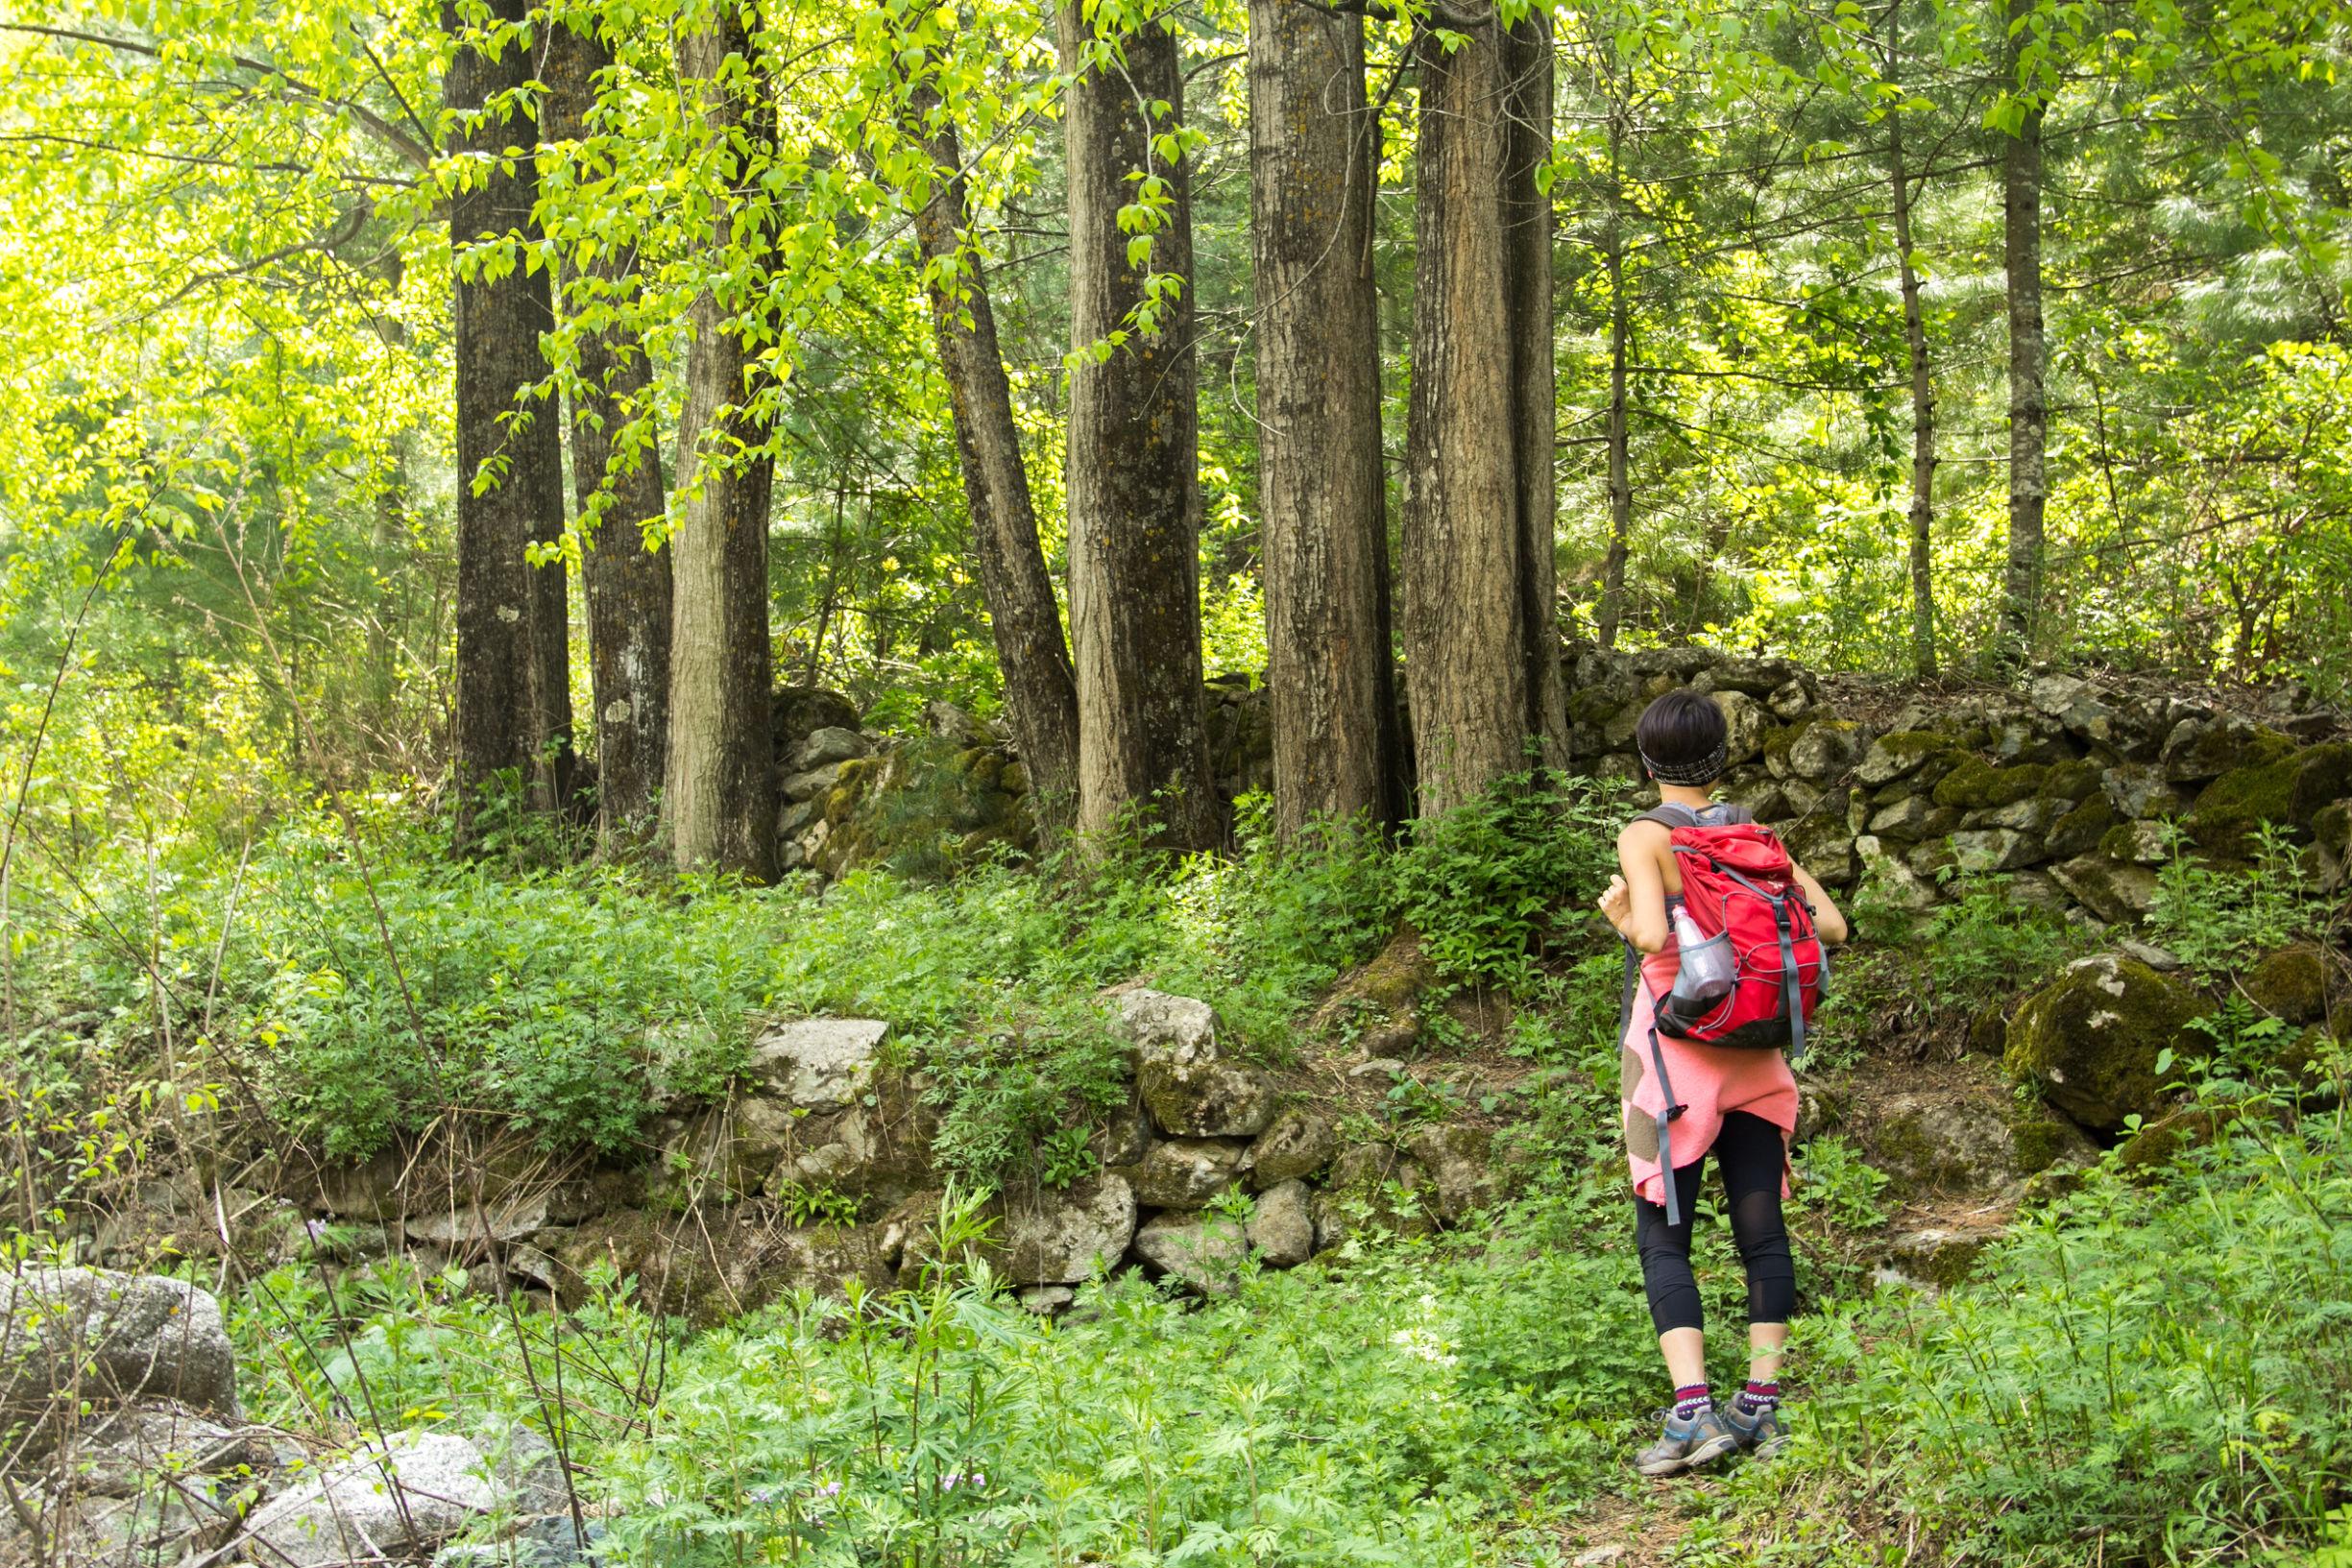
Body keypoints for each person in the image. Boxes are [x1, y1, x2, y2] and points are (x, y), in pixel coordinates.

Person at [1595, 688, 1848, 1477]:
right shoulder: (1756, 834)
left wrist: (1614, 911)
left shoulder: (1644, 834)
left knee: (1662, 1234)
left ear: (1646, 762)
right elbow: (1832, 927)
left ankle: (1691, 1414)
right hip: (1760, 1059)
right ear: (1720, 757)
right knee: (1761, 1229)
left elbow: (1645, 932)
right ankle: (1761, 1408)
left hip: (1674, 1066)